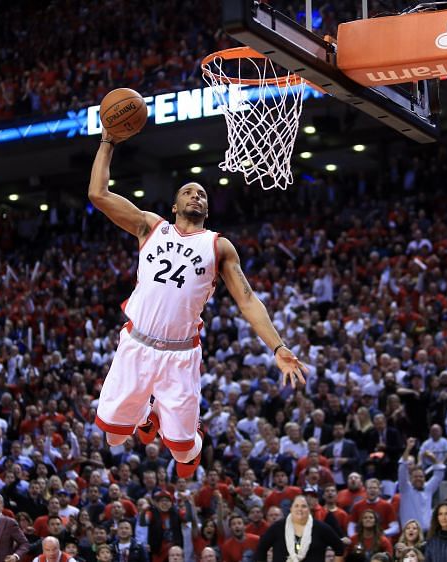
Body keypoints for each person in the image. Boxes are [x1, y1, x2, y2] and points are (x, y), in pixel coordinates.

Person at [88, 128, 307, 477]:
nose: (195, 196)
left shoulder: (218, 246)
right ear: (174, 206)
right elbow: (98, 194)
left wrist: (278, 346)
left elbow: (248, 301)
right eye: (188, 192)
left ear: (207, 206)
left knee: (185, 460)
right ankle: (147, 414)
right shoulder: (150, 227)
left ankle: (186, 432)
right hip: (136, 344)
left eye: (202, 194)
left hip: (180, 356)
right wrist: (108, 142)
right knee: (114, 437)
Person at [255, 495, 345, 562]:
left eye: (303, 506)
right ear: (291, 509)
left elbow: (339, 547)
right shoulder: (277, 528)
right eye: (296, 506)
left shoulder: (321, 528)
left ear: (309, 509)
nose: (300, 509)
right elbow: (261, 548)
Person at [398, 438, 446, 534]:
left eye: (421, 476)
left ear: (425, 478)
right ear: (410, 478)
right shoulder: (405, 488)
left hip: (427, 534)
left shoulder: (428, 488)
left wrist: (433, 458)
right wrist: (408, 448)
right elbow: (402, 468)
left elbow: (439, 474)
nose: (418, 478)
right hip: (409, 534)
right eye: (415, 477)